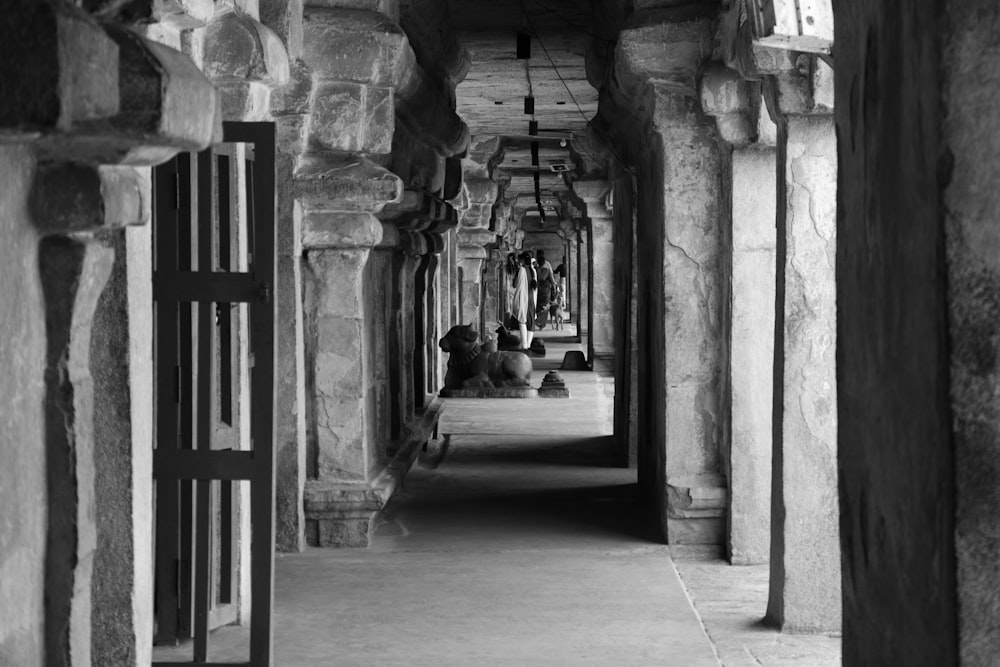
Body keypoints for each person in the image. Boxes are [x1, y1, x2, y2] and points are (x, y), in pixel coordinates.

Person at [511, 251, 533, 349]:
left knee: (522, 320)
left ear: (522, 260)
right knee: (530, 321)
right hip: (531, 298)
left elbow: (515, 284)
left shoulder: (521, 270)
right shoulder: (533, 270)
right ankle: (528, 344)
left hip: (523, 298)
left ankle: (524, 345)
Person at [534, 250, 557, 328]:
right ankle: (541, 323)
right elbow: (552, 281)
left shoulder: (535, 269)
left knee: (538, 306)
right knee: (545, 307)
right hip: (546, 292)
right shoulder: (547, 268)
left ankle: (537, 320)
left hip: (537, 291)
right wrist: (554, 290)